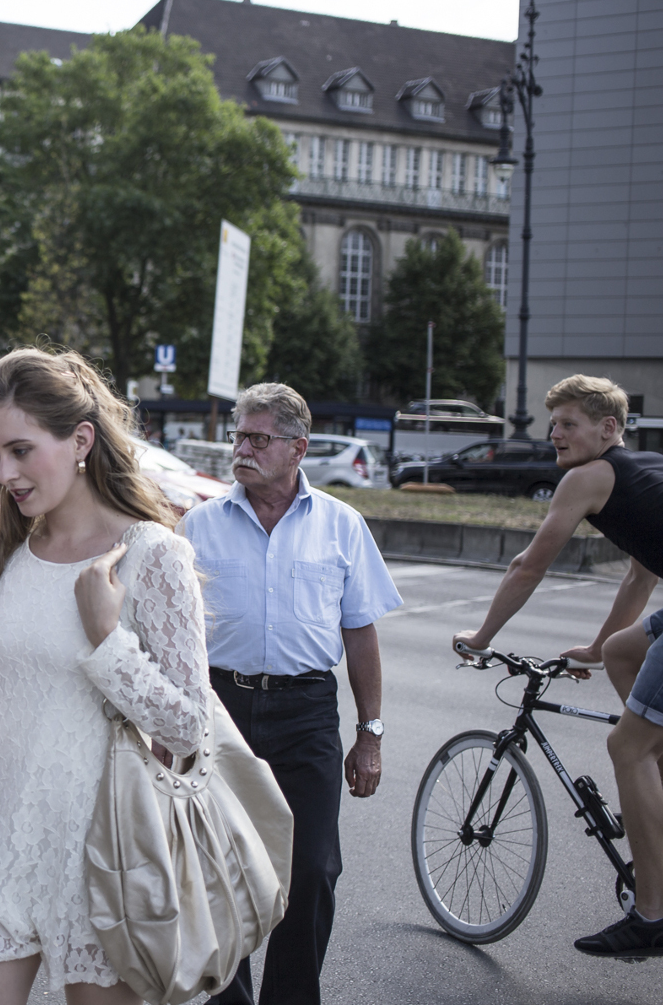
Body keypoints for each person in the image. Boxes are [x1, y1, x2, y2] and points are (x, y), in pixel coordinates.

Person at [0, 347, 210, 1005]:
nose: (5, 473)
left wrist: (108, 639)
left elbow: (190, 725)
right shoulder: (11, 556)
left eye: (21, 450)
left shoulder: (152, 554)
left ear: (80, 440)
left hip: (100, 862)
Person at [454, 374, 663, 960]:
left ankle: (653, 916)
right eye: (553, 422)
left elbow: (528, 566)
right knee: (622, 653)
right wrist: (597, 644)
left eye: (568, 424)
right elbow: (641, 574)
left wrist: (483, 636)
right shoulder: (655, 471)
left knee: (627, 748)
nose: (554, 434)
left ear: (607, 429)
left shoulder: (587, 478)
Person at [179, 383, 400, 1005]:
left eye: (258, 438)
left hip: (306, 712)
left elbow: (360, 633)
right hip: (221, 710)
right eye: (239, 436)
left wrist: (370, 734)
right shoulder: (198, 525)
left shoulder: (341, 525)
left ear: (298, 448)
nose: (241, 449)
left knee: (314, 871)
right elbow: (170, 633)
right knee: (223, 871)